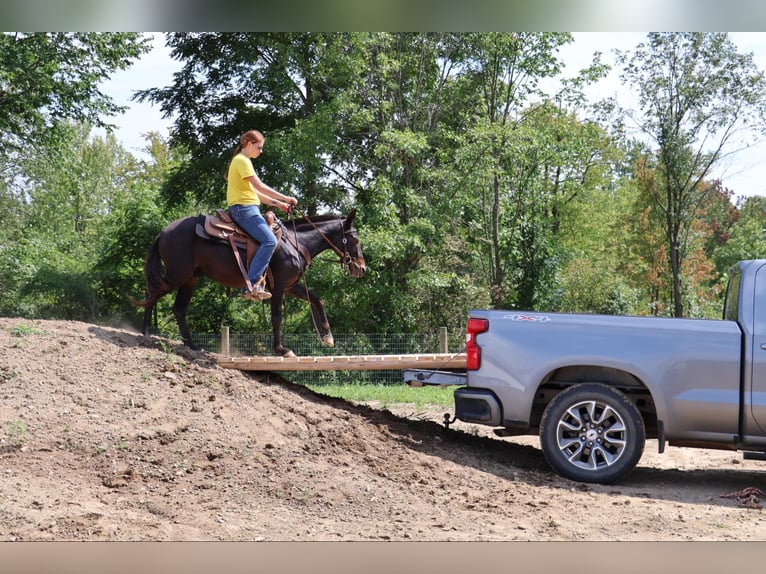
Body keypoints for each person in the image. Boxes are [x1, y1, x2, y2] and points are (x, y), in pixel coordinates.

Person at [226, 130, 297, 300]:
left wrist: (278, 204)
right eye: (259, 147)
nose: (261, 151)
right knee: (270, 240)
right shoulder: (242, 161)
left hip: (247, 207)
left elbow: (255, 193)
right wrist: (285, 197)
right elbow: (260, 186)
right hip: (244, 210)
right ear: (249, 144)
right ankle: (251, 285)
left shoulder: (242, 161)